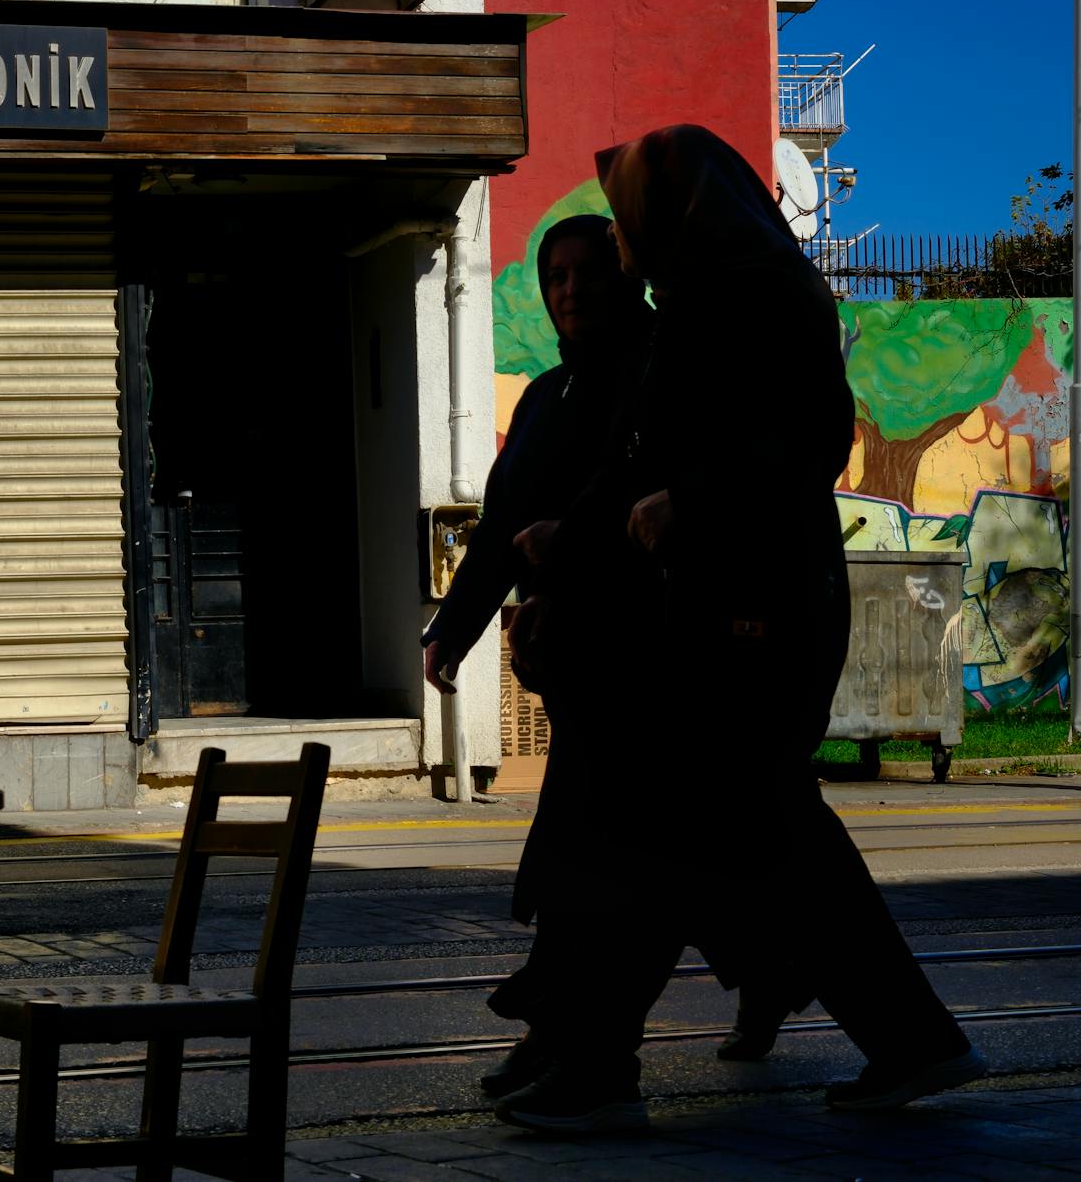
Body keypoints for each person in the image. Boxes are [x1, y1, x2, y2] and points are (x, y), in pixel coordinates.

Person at [494, 124, 983, 1132]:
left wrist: (693, 503)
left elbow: (807, 438)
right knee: (731, 837)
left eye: (630, 223)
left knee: (663, 830)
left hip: (755, 615)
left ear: (677, 216)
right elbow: (638, 462)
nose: (620, 248)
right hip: (708, 617)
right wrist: (566, 540)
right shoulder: (692, 306)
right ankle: (905, 1037)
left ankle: (595, 1062)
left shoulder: (759, 298)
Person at [421, 214, 656, 1097]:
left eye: (585, 271)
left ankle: (577, 1041)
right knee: (602, 849)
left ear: (623, 275)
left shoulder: (648, 374)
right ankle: (564, 1031)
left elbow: (625, 502)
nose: (569, 289)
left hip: (640, 664)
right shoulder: (547, 394)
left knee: (603, 857)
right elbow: (501, 526)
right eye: (554, 275)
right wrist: (454, 626)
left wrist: (572, 561)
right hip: (573, 667)